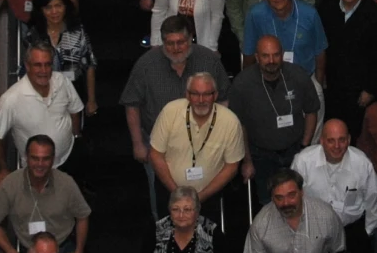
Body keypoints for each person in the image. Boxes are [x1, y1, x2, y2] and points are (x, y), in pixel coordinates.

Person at [122, 16, 231, 217]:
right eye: (170, 43)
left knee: (205, 198)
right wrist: (138, 143)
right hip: (160, 147)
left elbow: (223, 99)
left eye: (181, 42)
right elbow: (132, 104)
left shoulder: (209, 60)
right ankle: (165, 240)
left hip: (205, 143)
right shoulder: (146, 64)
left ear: (191, 38)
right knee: (164, 202)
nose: (176, 48)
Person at [0, 131, 91, 253]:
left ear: (53, 159)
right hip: (28, 252)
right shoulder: (11, 184)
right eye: (35, 158)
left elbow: (83, 216)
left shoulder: (66, 183)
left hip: (61, 251)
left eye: (45, 159)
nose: (40, 164)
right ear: (26, 158)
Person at [0, 43, 85, 187]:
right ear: (27, 66)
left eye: (47, 64)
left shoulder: (62, 81)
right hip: (36, 171)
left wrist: (76, 137)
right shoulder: (10, 99)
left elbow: (75, 109)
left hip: (68, 158)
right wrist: (3, 170)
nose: (44, 71)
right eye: (38, 65)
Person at [149, 69, 248, 212]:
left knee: (205, 234)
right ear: (187, 95)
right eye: (195, 94)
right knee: (168, 234)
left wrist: (200, 197)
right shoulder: (170, 112)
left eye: (207, 94)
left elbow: (232, 166)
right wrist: (178, 194)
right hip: (169, 192)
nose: (201, 100)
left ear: (215, 95)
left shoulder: (230, 122)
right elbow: (155, 154)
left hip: (208, 198)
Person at [229, 33, 321, 185]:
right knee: (268, 200)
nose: (271, 61)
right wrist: (247, 160)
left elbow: (311, 111)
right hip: (260, 155)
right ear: (257, 57)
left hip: (294, 151)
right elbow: (239, 126)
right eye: (265, 56)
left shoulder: (298, 76)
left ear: (282, 55)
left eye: (276, 55)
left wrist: (304, 147)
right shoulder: (242, 84)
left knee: (296, 195)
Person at [295, 117, 377, 253]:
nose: (337, 146)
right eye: (331, 140)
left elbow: (374, 200)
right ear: (321, 141)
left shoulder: (362, 163)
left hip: (351, 230)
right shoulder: (303, 161)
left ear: (348, 139)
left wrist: (367, 232)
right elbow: (295, 199)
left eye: (342, 140)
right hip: (314, 231)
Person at [321, 0, 377, 123]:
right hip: (333, 88)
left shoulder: (376, 16)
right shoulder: (326, 7)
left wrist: (370, 90)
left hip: (361, 93)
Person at [21, 0, 97, 118]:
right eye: (48, 7)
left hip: (72, 94)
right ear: (41, 10)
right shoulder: (32, 36)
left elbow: (89, 65)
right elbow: (27, 69)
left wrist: (91, 100)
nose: (54, 12)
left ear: (66, 7)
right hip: (41, 96)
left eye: (58, 6)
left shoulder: (77, 32)